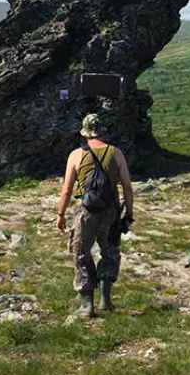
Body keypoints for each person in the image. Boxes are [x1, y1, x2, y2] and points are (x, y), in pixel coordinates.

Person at [55, 113, 134, 318]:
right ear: (103, 131)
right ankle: (105, 301)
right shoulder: (116, 153)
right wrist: (129, 213)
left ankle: (86, 304)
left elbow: (66, 190)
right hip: (112, 212)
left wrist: (61, 214)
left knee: (80, 253)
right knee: (110, 252)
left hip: (86, 212)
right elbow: (127, 187)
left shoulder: (75, 155)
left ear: (85, 132)